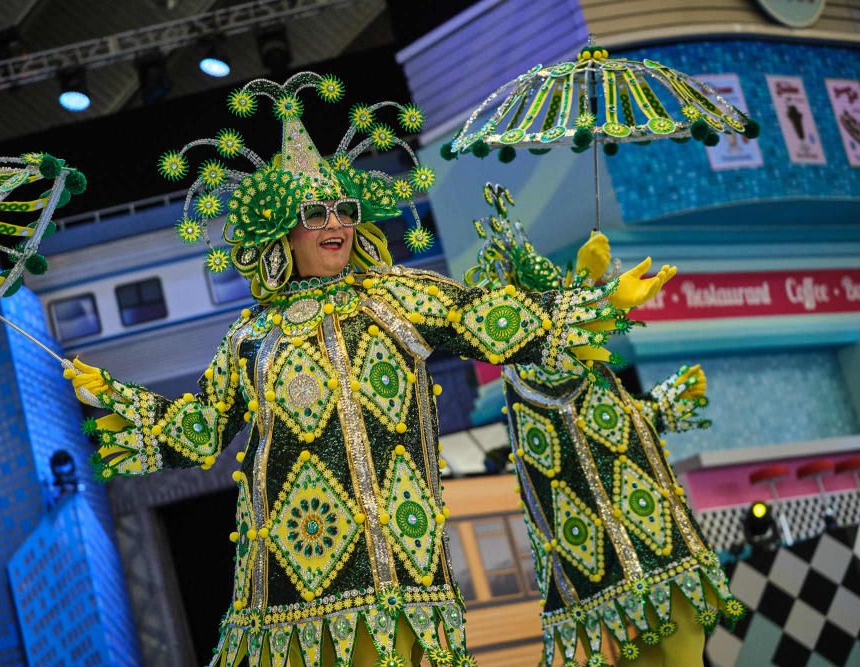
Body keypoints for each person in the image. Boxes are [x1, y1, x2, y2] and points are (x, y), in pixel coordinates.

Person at [64, 74, 673, 667]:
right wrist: (114, 395)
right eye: (315, 212)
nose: (334, 223)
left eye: (344, 209)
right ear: (281, 228)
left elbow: (490, 319)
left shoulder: (397, 297)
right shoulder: (250, 336)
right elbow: (198, 431)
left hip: (402, 570)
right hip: (291, 589)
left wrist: (600, 301)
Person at [465, 183, 744, 667]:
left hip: (653, 544)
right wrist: (607, 298)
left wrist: (659, 405)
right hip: (616, 561)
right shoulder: (532, 366)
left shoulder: (583, 366)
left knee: (683, 647)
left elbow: (609, 433)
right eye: (551, 299)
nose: (564, 307)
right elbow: (557, 375)